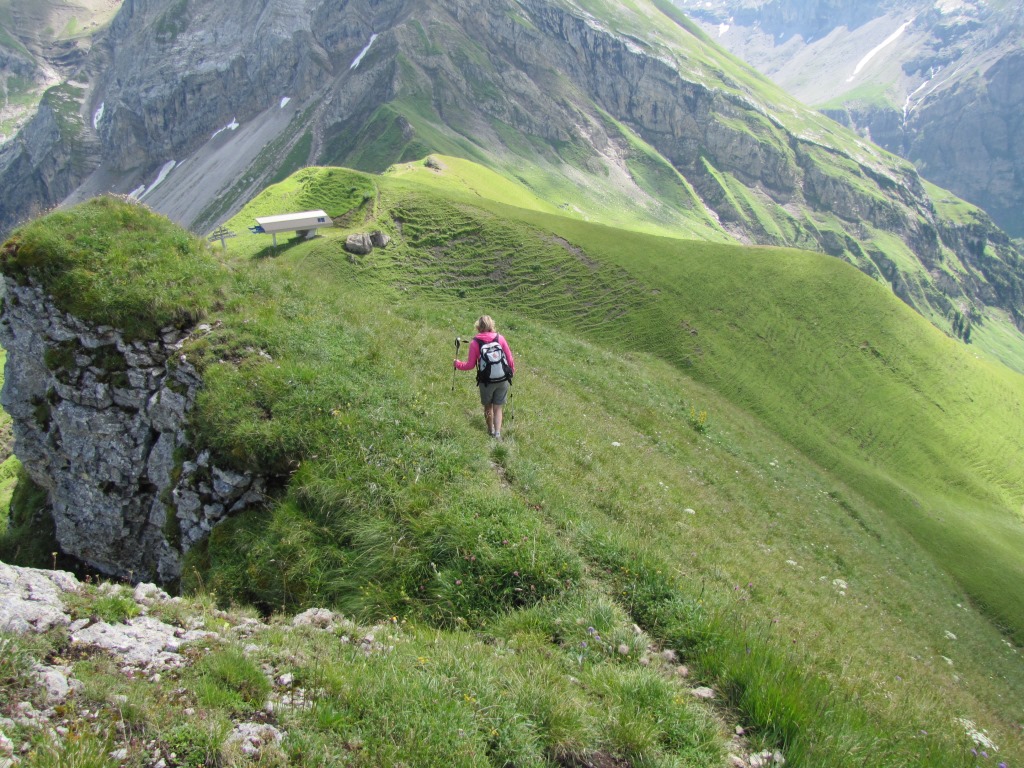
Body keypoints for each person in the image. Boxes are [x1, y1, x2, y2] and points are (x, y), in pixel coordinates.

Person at [454, 315, 515, 440]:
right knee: (498, 407)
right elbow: (510, 359)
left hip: (486, 381)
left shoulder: (475, 343)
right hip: (503, 378)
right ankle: (498, 434)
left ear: (478, 327)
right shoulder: (500, 338)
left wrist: (457, 363)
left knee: (488, 406)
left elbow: (470, 365)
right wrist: (511, 373)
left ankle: (490, 430)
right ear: (492, 325)